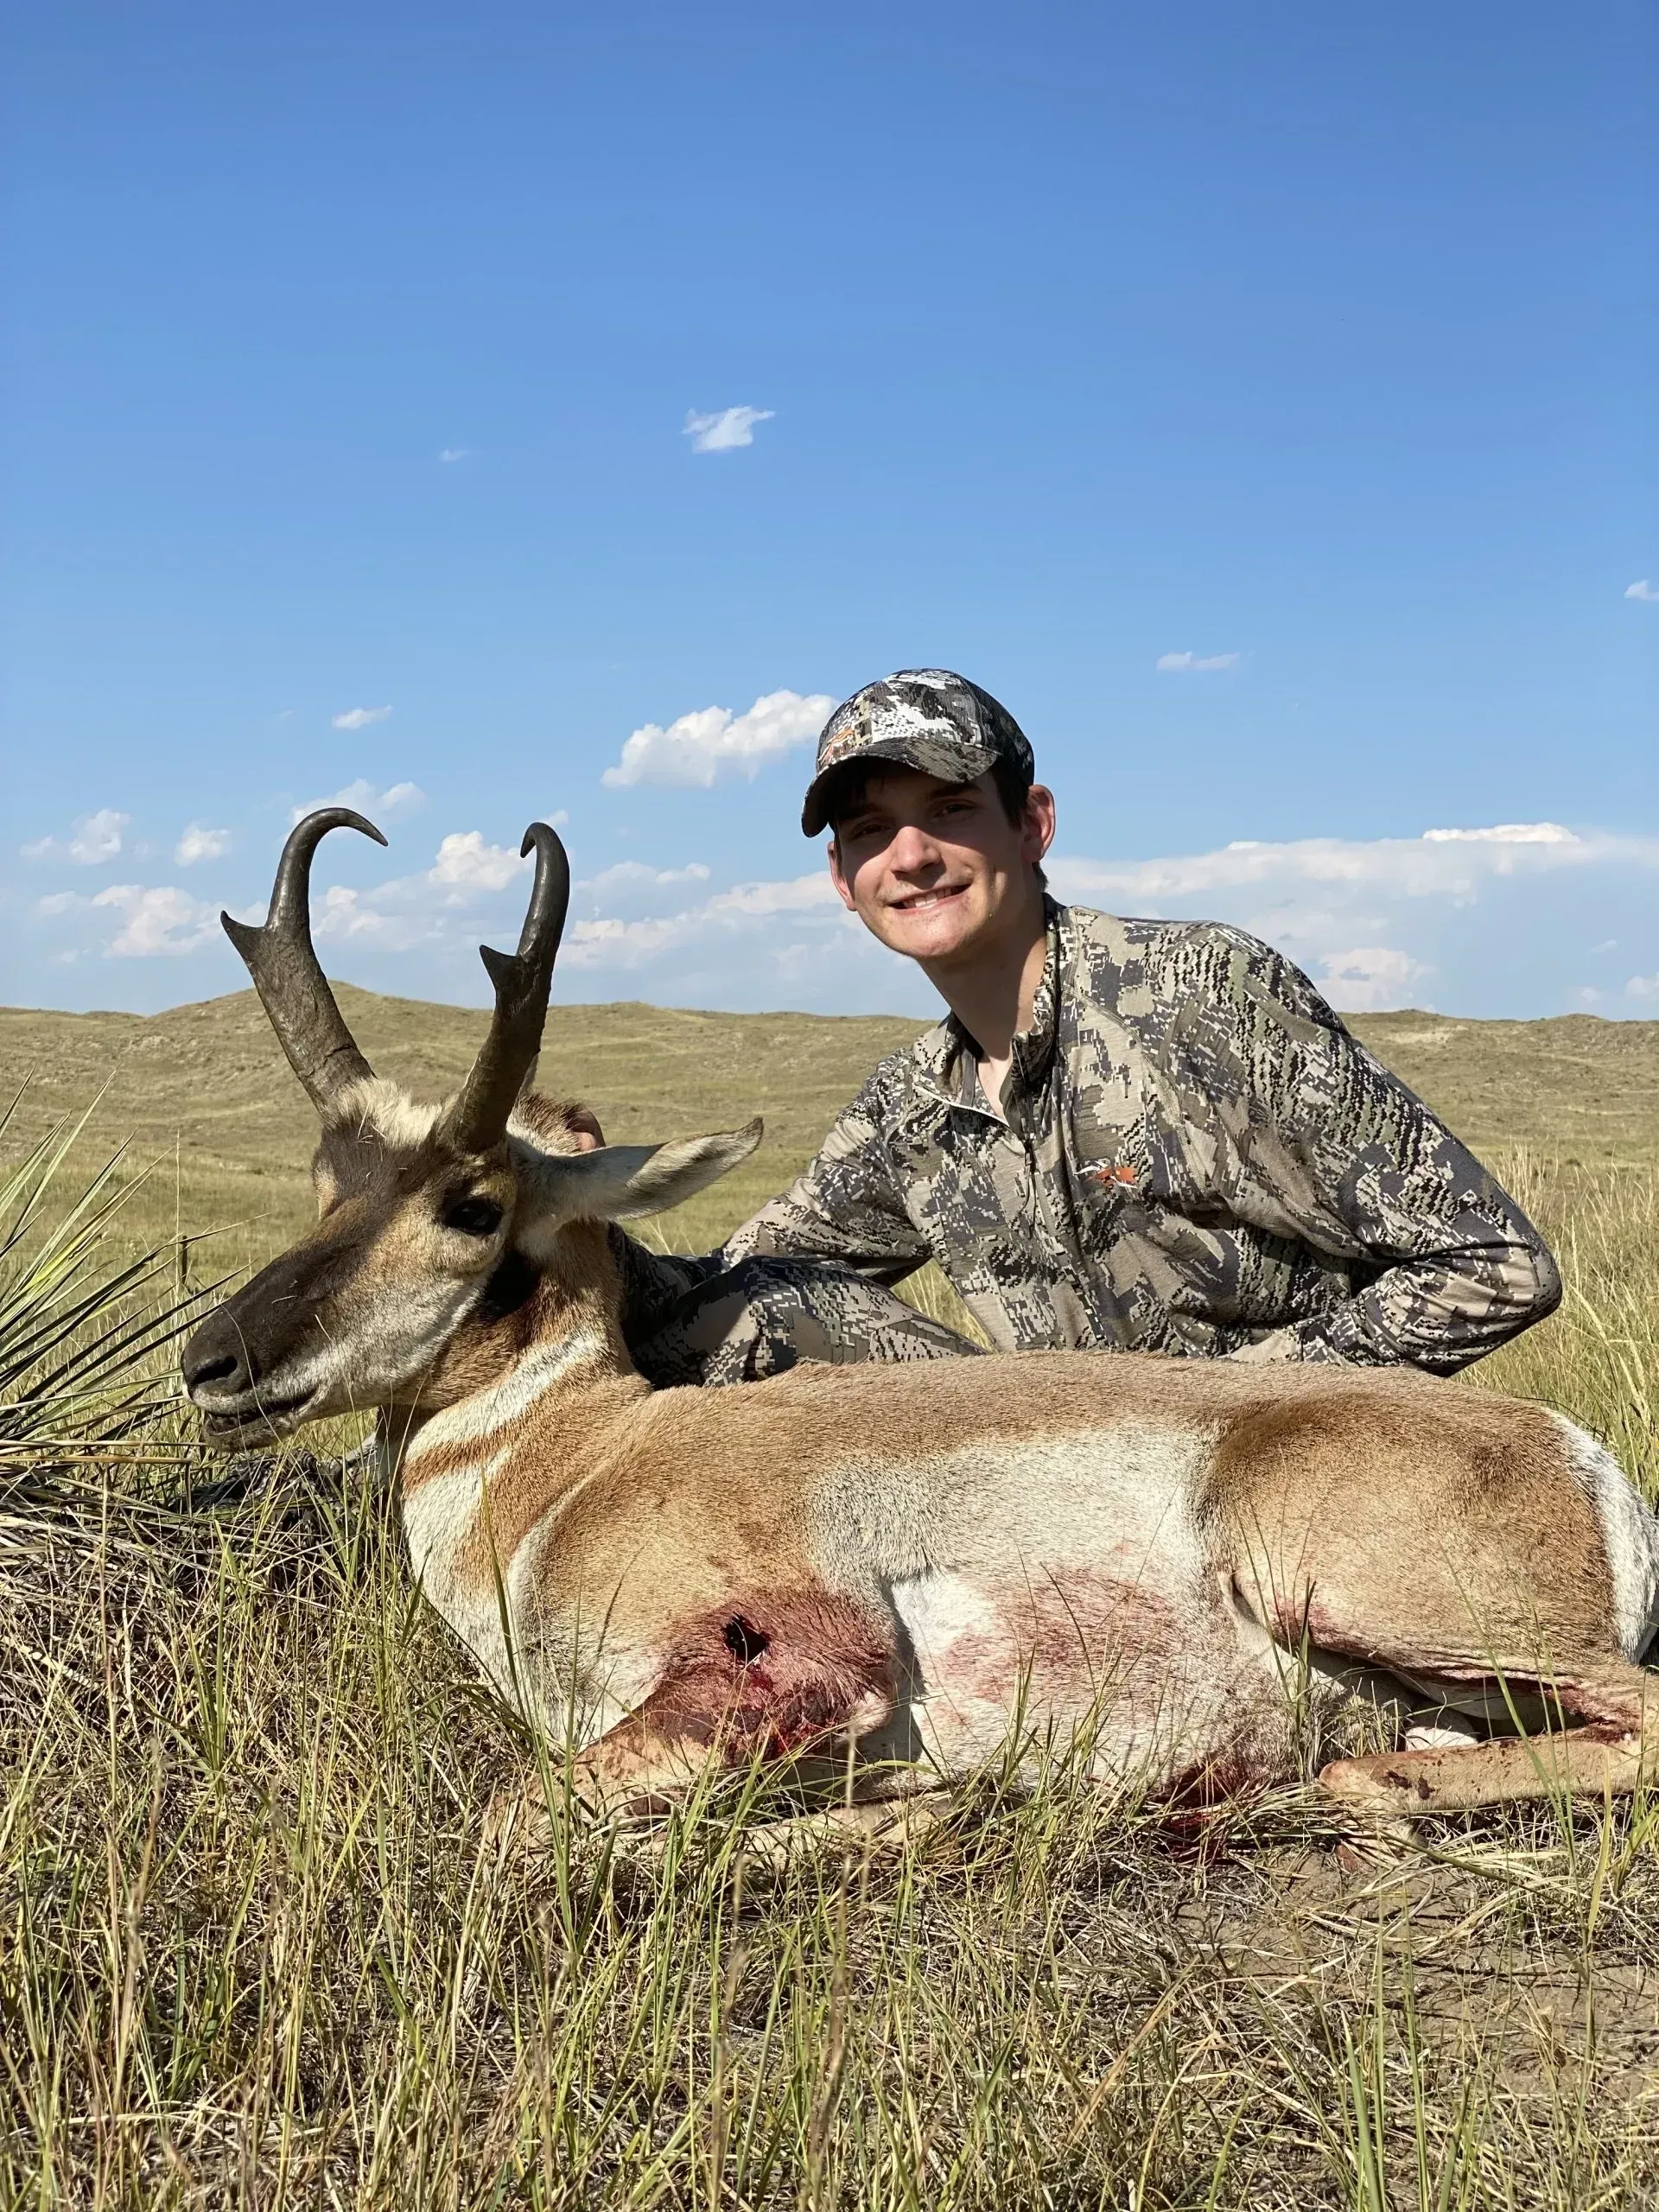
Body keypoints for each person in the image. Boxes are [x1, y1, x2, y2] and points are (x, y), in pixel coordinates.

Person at [617, 669, 1560, 1387]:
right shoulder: (908, 1111)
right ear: (841, 879)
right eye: (870, 831)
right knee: (746, 1316)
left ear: (1033, 824)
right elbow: (712, 1287)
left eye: (950, 810)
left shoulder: (1208, 993)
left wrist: (1228, 1410)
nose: (909, 856)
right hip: (1071, 1492)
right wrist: (545, 1190)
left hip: (1280, 1476)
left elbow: (1495, 1264)